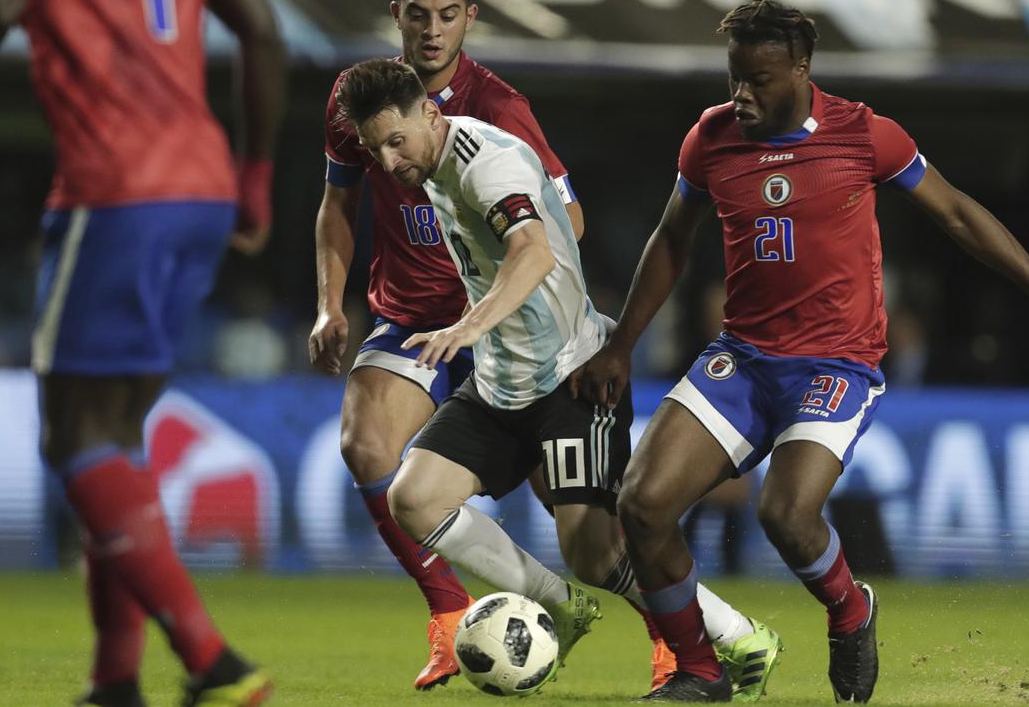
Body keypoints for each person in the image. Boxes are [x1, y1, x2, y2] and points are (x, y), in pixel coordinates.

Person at [574, 0, 1029, 703]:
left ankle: (849, 611)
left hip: (835, 363)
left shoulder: (864, 134)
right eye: (733, 78)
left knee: (785, 515)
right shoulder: (710, 139)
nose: (740, 94)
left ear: (801, 71)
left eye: (757, 80)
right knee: (642, 505)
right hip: (743, 358)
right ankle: (699, 670)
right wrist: (621, 343)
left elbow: (957, 212)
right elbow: (671, 240)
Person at [332, 57, 784, 701]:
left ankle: (740, 635)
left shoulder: (486, 163)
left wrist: (466, 326)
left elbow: (534, 249)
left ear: (430, 113)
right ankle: (558, 606)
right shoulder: (428, 165)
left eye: (396, 140)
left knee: (596, 553)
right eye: (374, 148)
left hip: (571, 378)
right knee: (414, 498)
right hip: (501, 382)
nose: (387, 159)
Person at [0, 0, 284, 704]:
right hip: (203, 189)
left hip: (116, 191)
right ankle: (114, 678)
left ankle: (212, 661)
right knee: (117, 438)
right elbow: (263, 28)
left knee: (74, 438)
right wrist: (256, 174)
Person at [308, 0, 594, 691]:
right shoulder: (359, 100)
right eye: (417, 14)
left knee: (580, 514)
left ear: (470, 16)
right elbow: (337, 205)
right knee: (366, 444)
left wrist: (502, 282)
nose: (431, 30)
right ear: (396, 15)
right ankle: (448, 611)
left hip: (502, 327)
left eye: (445, 14)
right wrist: (329, 305)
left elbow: (570, 220)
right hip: (412, 316)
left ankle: (672, 639)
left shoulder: (498, 108)